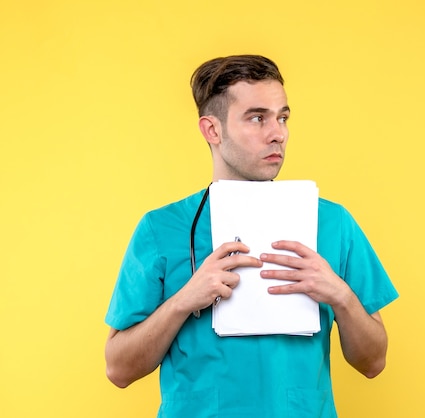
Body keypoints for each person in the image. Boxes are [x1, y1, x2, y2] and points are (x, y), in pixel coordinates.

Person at [104, 54, 398, 417]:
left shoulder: (333, 223)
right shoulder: (161, 229)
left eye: (283, 117)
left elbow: (373, 362)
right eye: (257, 118)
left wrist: (340, 296)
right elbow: (118, 369)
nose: (278, 133)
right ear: (212, 130)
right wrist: (183, 300)